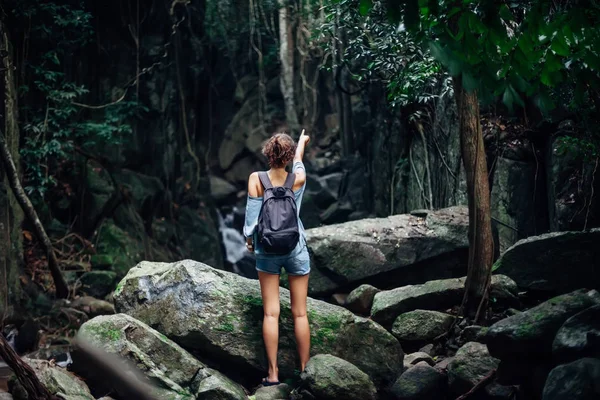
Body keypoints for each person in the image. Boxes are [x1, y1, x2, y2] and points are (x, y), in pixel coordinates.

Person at [243, 130, 311, 386]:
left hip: (267, 250)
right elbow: (299, 163)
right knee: (300, 314)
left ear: (268, 154)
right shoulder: (298, 178)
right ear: (289, 155)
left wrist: (250, 242)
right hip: (295, 248)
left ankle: (273, 374)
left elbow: (251, 219)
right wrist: (301, 145)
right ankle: (305, 371)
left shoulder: (256, 179)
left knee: (271, 314)